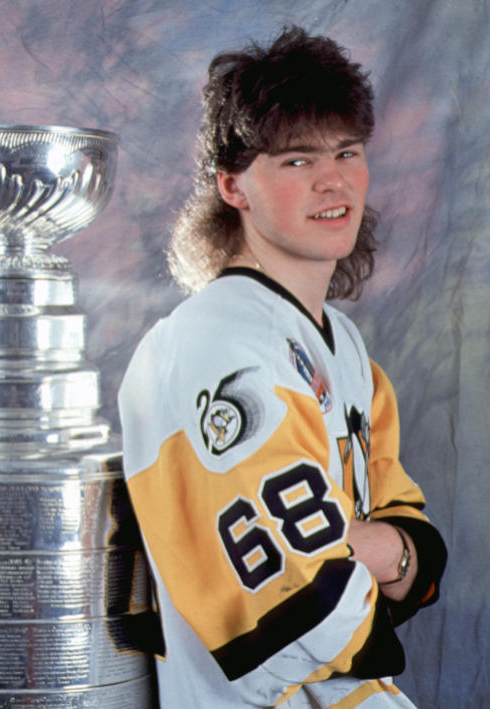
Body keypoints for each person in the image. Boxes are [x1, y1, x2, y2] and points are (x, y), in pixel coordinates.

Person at [118, 26, 446, 708]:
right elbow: (301, 614)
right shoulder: (213, 345)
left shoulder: (344, 346)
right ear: (233, 185)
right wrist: (373, 554)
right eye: (297, 160)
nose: (333, 180)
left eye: (347, 152)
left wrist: (376, 548)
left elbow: (417, 547)